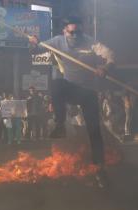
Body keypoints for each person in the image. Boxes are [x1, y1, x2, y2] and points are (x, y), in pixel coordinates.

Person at [29, 16, 115, 187]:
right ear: (64, 31)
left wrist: (105, 67)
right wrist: (33, 43)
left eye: (79, 32)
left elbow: (111, 55)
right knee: (57, 84)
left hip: (88, 91)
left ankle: (100, 169)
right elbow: (37, 50)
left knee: (94, 131)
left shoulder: (91, 43)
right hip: (69, 88)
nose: (76, 36)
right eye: (72, 32)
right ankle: (60, 124)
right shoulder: (58, 41)